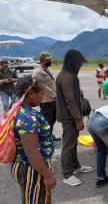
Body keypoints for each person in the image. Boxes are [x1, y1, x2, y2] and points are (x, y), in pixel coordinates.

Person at [10, 75, 56, 204]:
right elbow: (31, 152)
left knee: (42, 198)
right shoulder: (28, 118)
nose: (43, 97)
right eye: (41, 93)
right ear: (31, 94)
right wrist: (48, 175)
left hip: (28, 164)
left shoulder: (16, 108)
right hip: (32, 168)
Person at [56, 50, 93, 186]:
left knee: (72, 143)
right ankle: (67, 174)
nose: (80, 66)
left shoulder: (69, 75)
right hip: (69, 117)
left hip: (70, 116)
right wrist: (78, 119)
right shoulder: (66, 77)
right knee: (68, 145)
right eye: (79, 63)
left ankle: (76, 166)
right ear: (73, 62)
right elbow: (70, 101)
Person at [33, 52, 60, 141]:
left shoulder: (49, 70)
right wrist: (54, 95)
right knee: (46, 120)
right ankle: (44, 138)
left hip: (54, 99)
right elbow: (42, 86)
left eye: (50, 59)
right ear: (42, 61)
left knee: (53, 119)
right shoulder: (38, 72)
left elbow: (52, 83)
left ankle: (50, 135)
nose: (50, 61)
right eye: (48, 60)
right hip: (46, 101)